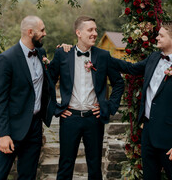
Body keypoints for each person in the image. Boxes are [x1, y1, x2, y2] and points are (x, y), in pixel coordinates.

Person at [111, 20, 172, 180]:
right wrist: (102, 57)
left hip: (171, 141)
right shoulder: (153, 58)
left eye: (161, 35)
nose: (157, 38)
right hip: (148, 136)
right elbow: (131, 69)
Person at [48, 16, 124, 180]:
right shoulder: (63, 53)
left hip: (94, 119)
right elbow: (48, 82)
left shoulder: (103, 55)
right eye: (90, 30)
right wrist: (55, 108)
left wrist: (109, 107)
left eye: (96, 30)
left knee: (95, 167)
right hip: (70, 118)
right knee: (65, 166)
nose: (95, 33)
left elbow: (119, 82)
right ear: (78, 32)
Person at [0, 15, 57, 180]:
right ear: (30, 32)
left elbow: (46, 83)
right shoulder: (6, 59)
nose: (45, 33)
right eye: (42, 30)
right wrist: (3, 134)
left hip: (34, 127)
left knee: (28, 176)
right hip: (11, 129)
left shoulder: (41, 52)